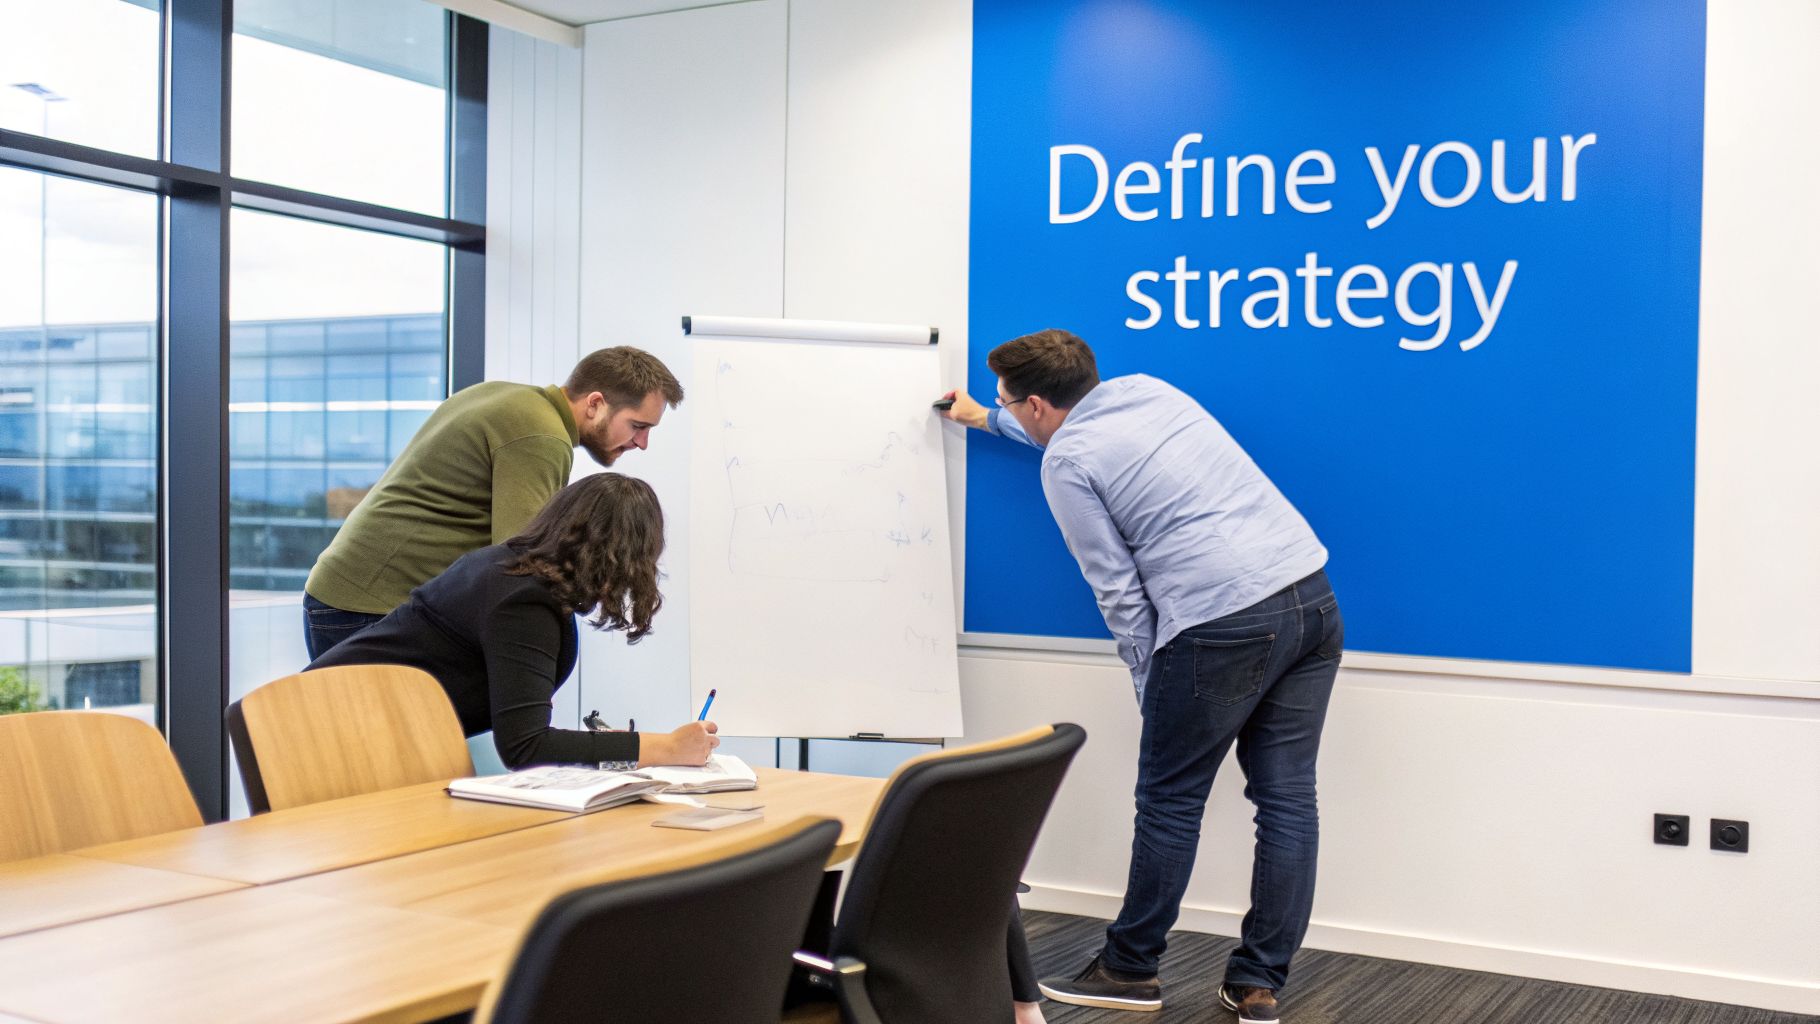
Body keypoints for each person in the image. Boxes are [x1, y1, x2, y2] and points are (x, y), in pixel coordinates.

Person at [941, 329, 1341, 1024]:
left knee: (1170, 800)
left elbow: (1119, 592)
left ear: (1036, 404)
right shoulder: (1150, 391)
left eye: (1009, 401)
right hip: (1309, 594)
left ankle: (1129, 970)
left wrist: (1149, 685)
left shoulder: (1064, 464)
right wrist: (984, 418)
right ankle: (1257, 986)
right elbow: (1067, 429)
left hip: (1220, 622)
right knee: (1287, 801)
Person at [307, 472, 718, 770]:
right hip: (318, 738)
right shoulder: (523, 600)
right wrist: (666, 747)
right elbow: (526, 746)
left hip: (333, 725)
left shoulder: (511, 570)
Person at [301, 346, 685, 660]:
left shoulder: (507, 397)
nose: (641, 443)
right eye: (638, 426)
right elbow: (525, 567)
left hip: (348, 595)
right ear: (596, 403)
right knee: (389, 750)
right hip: (365, 609)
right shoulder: (541, 437)